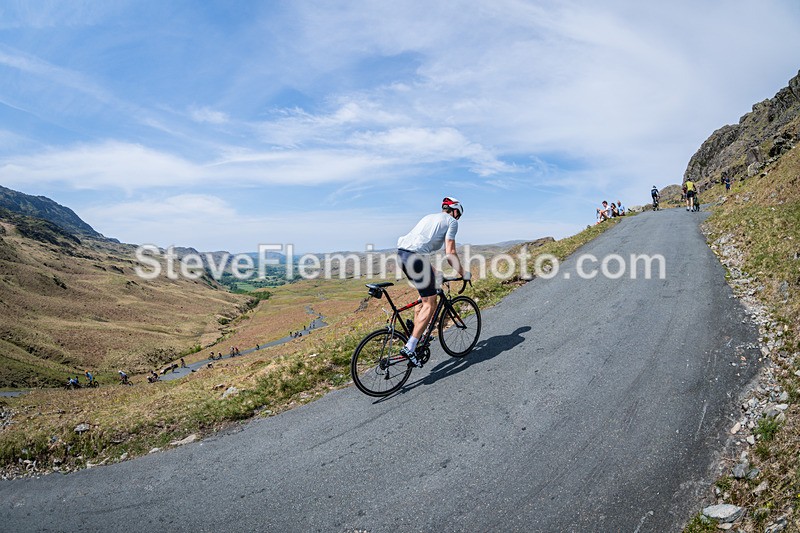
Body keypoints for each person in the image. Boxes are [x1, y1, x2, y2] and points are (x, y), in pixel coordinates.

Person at [396, 196, 470, 367]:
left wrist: (436, 272)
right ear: (456, 211)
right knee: (431, 303)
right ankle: (411, 346)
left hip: (402, 255)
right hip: (415, 258)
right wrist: (463, 273)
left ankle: (417, 335)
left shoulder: (429, 217)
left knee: (423, 297)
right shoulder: (451, 221)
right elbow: (450, 253)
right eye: (458, 215)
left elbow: (418, 248)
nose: (457, 218)